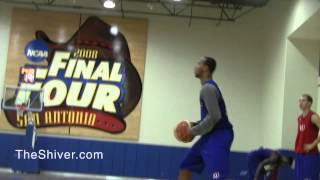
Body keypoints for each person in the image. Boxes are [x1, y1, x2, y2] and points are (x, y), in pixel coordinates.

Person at [178, 56, 234, 180]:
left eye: (199, 63)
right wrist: (195, 125)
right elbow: (211, 116)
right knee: (186, 166)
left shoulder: (208, 88)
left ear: (206, 68)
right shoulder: (207, 88)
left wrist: (192, 131)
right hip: (209, 135)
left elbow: (215, 117)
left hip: (219, 135)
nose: (195, 66)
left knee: (219, 177)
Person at [294, 94, 320, 180]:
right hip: (299, 154)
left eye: (303, 100)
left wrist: (313, 145)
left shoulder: (313, 117)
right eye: (299, 100)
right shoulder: (299, 118)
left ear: (309, 103)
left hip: (310, 155)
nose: (300, 102)